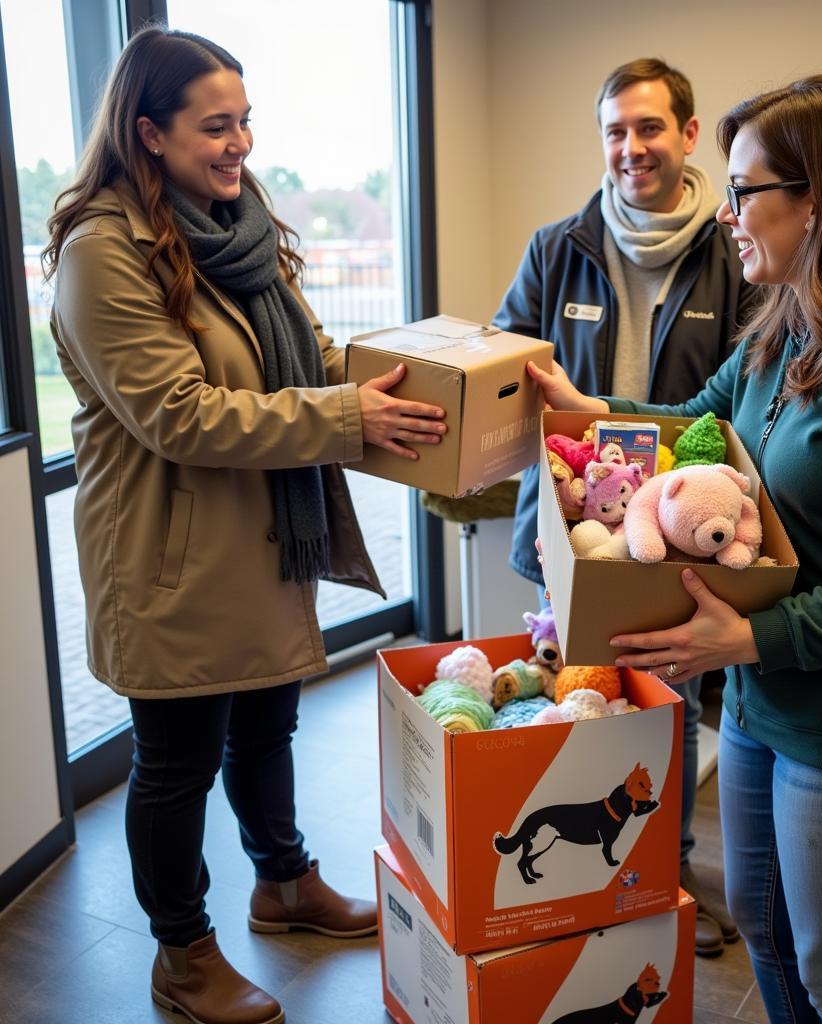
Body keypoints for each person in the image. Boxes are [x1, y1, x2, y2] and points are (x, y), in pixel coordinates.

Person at [527, 73, 822, 1023]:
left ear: (820, 200)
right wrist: (596, 413)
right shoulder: (788, 317)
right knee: (766, 932)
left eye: (745, 192)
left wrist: (751, 640)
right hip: (761, 694)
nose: (728, 211)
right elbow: (701, 425)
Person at [44, 27, 447, 1024]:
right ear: (149, 134)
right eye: (215, 126)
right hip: (172, 561)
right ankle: (182, 955)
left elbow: (303, 353)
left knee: (268, 723)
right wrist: (351, 417)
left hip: (260, 540)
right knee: (176, 761)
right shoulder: (104, 251)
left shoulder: (238, 225)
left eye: (245, 122)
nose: (239, 146)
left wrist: (415, 386)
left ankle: (284, 882)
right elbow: (177, 413)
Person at [493, 57, 754, 957]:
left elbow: (741, 408)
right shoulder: (557, 246)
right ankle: (577, 877)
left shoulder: (735, 252)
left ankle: (663, 875)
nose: (631, 148)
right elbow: (507, 373)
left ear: (688, 134)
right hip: (573, 535)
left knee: (669, 709)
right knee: (578, 700)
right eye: (615, 131)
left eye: (649, 128)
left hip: (679, 537)